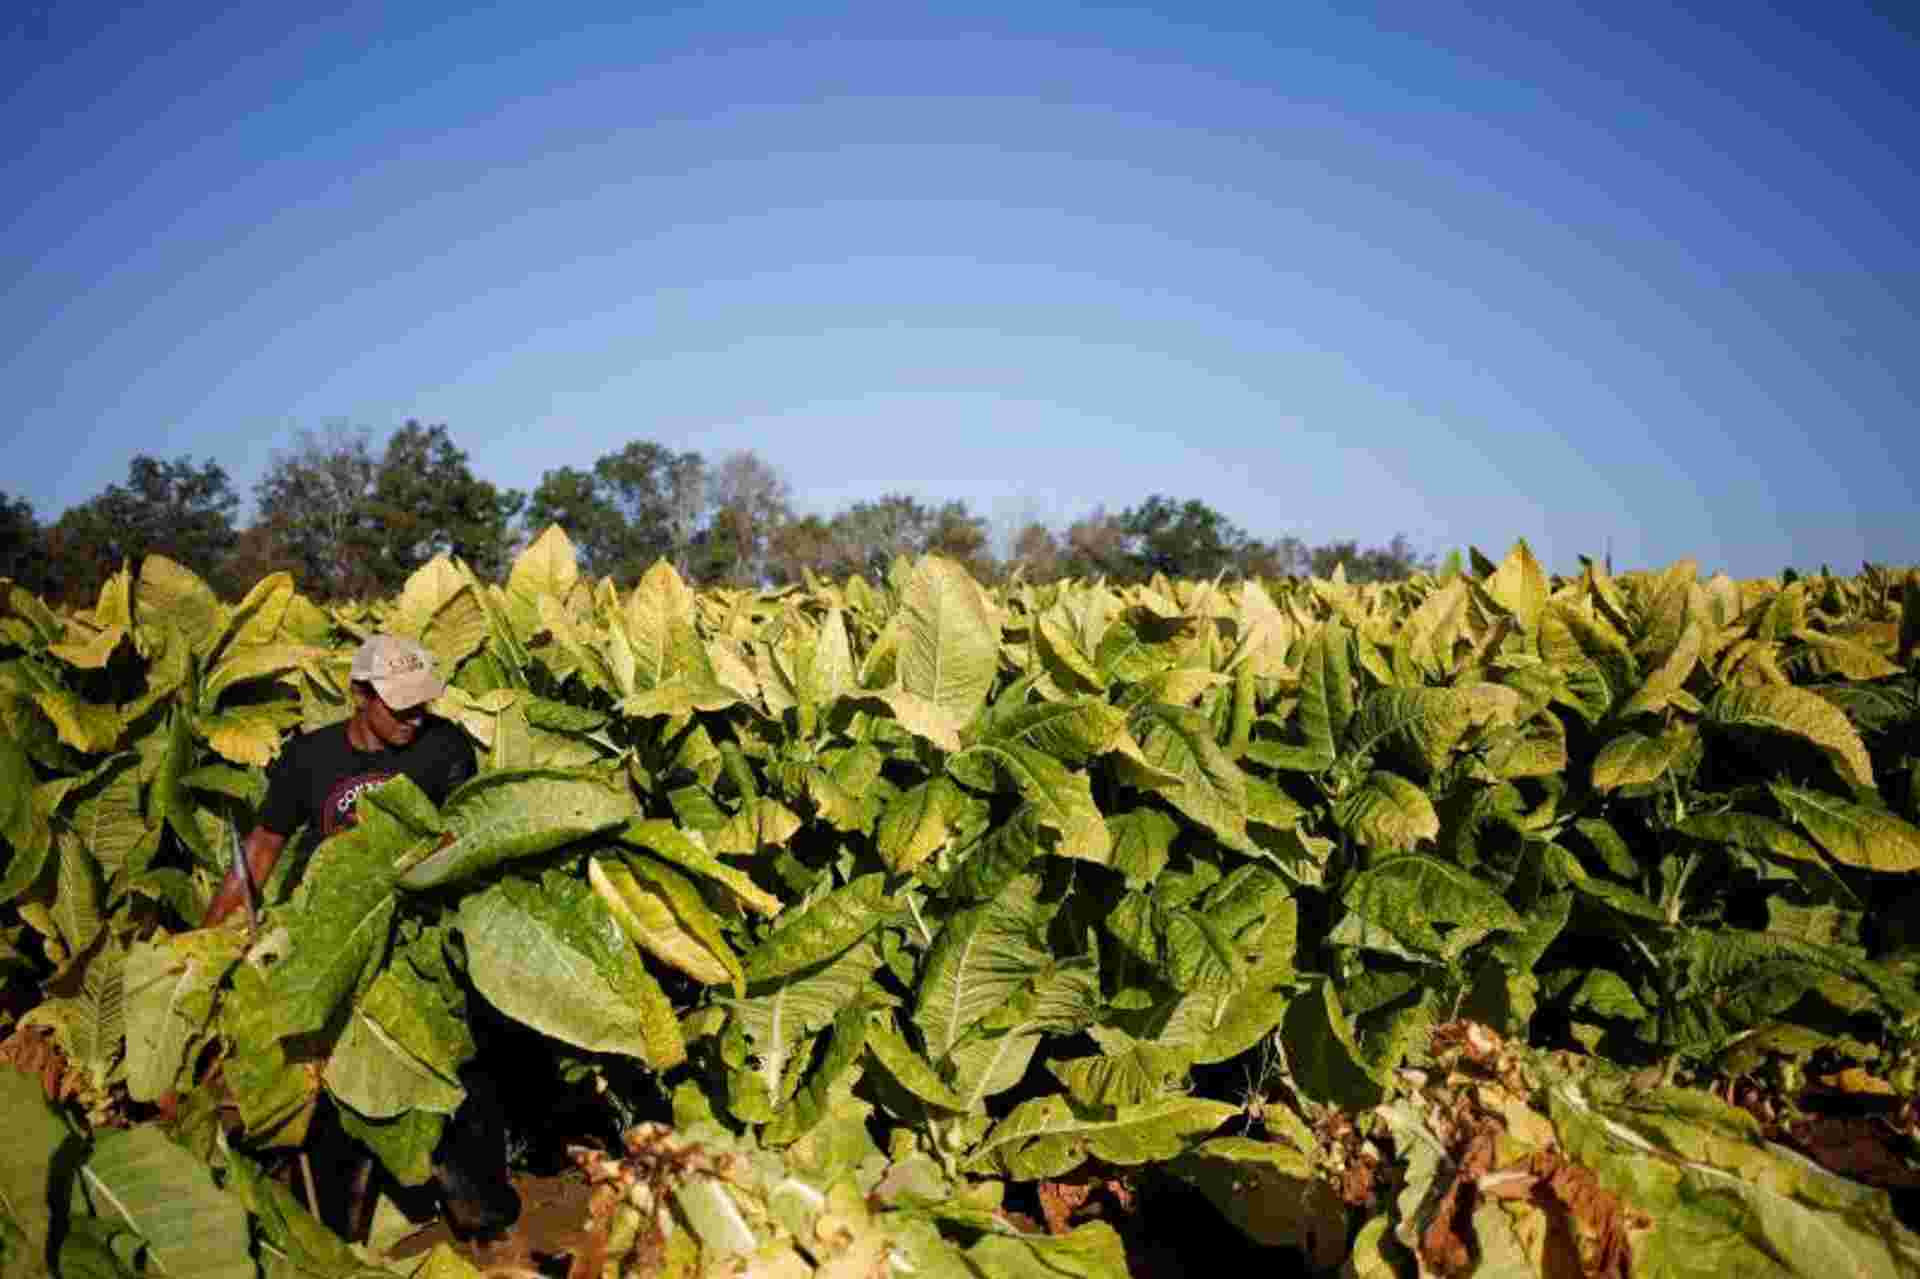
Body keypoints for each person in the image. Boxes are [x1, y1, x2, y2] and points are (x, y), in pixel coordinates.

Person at [202, 633, 477, 928]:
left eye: (421, 704)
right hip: (328, 917)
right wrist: (208, 937)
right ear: (360, 695)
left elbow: (463, 833)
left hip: (417, 915)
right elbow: (263, 847)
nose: (416, 719)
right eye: (402, 706)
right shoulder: (307, 756)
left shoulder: (446, 746)